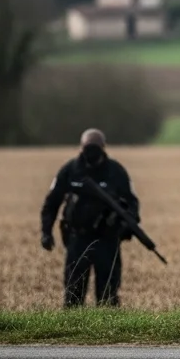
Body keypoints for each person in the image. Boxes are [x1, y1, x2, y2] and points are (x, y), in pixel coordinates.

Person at [40, 128, 140, 307]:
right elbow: (51, 203)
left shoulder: (116, 172)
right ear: (81, 148)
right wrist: (46, 231)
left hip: (107, 240)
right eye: (88, 148)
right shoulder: (70, 170)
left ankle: (108, 332)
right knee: (73, 294)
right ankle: (72, 331)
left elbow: (132, 203)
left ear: (103, 148)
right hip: (77, 239)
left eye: (95, 148)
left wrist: (126, 225)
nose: (91, 152)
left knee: (108, 295)